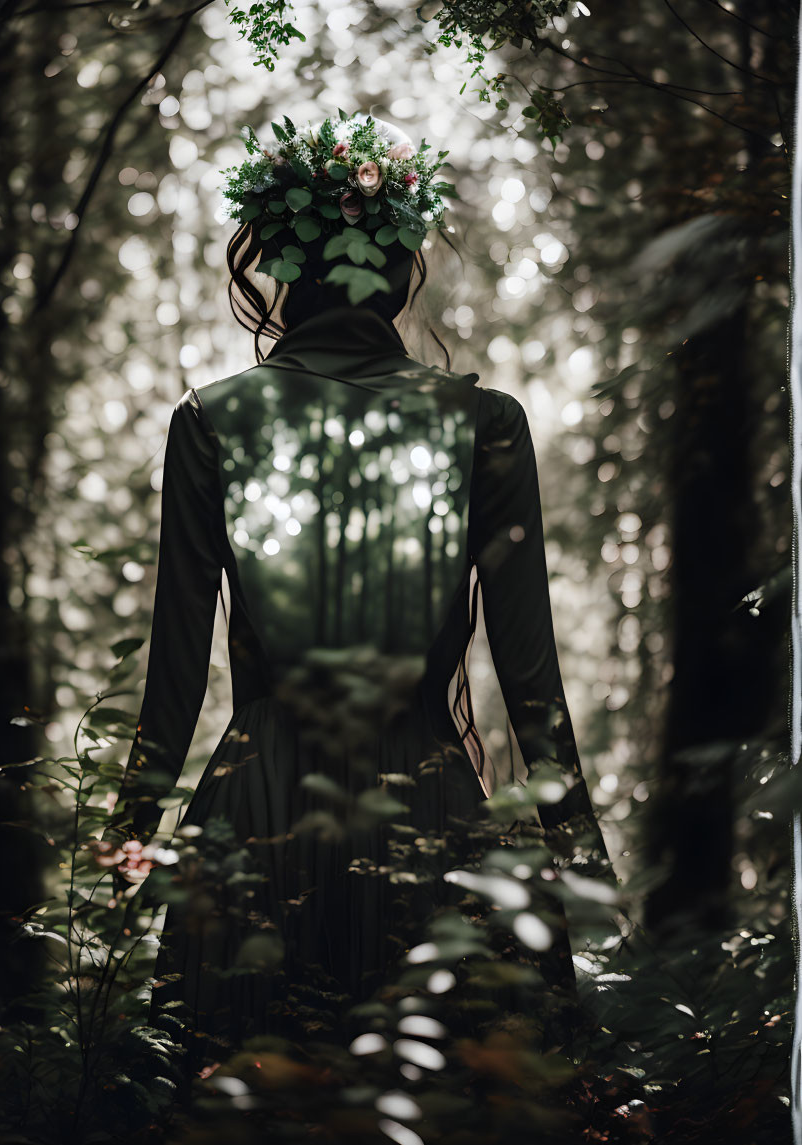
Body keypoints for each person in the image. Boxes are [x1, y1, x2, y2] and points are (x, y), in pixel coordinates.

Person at [105, 112, 615, 1076]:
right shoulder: (486, 422)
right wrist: (578, 863)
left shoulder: (210, 419)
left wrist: (121, 862)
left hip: (255, 815)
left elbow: (173, 675)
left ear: (283, 268)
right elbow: (530, 676)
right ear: (398, 264)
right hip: (424, 806)